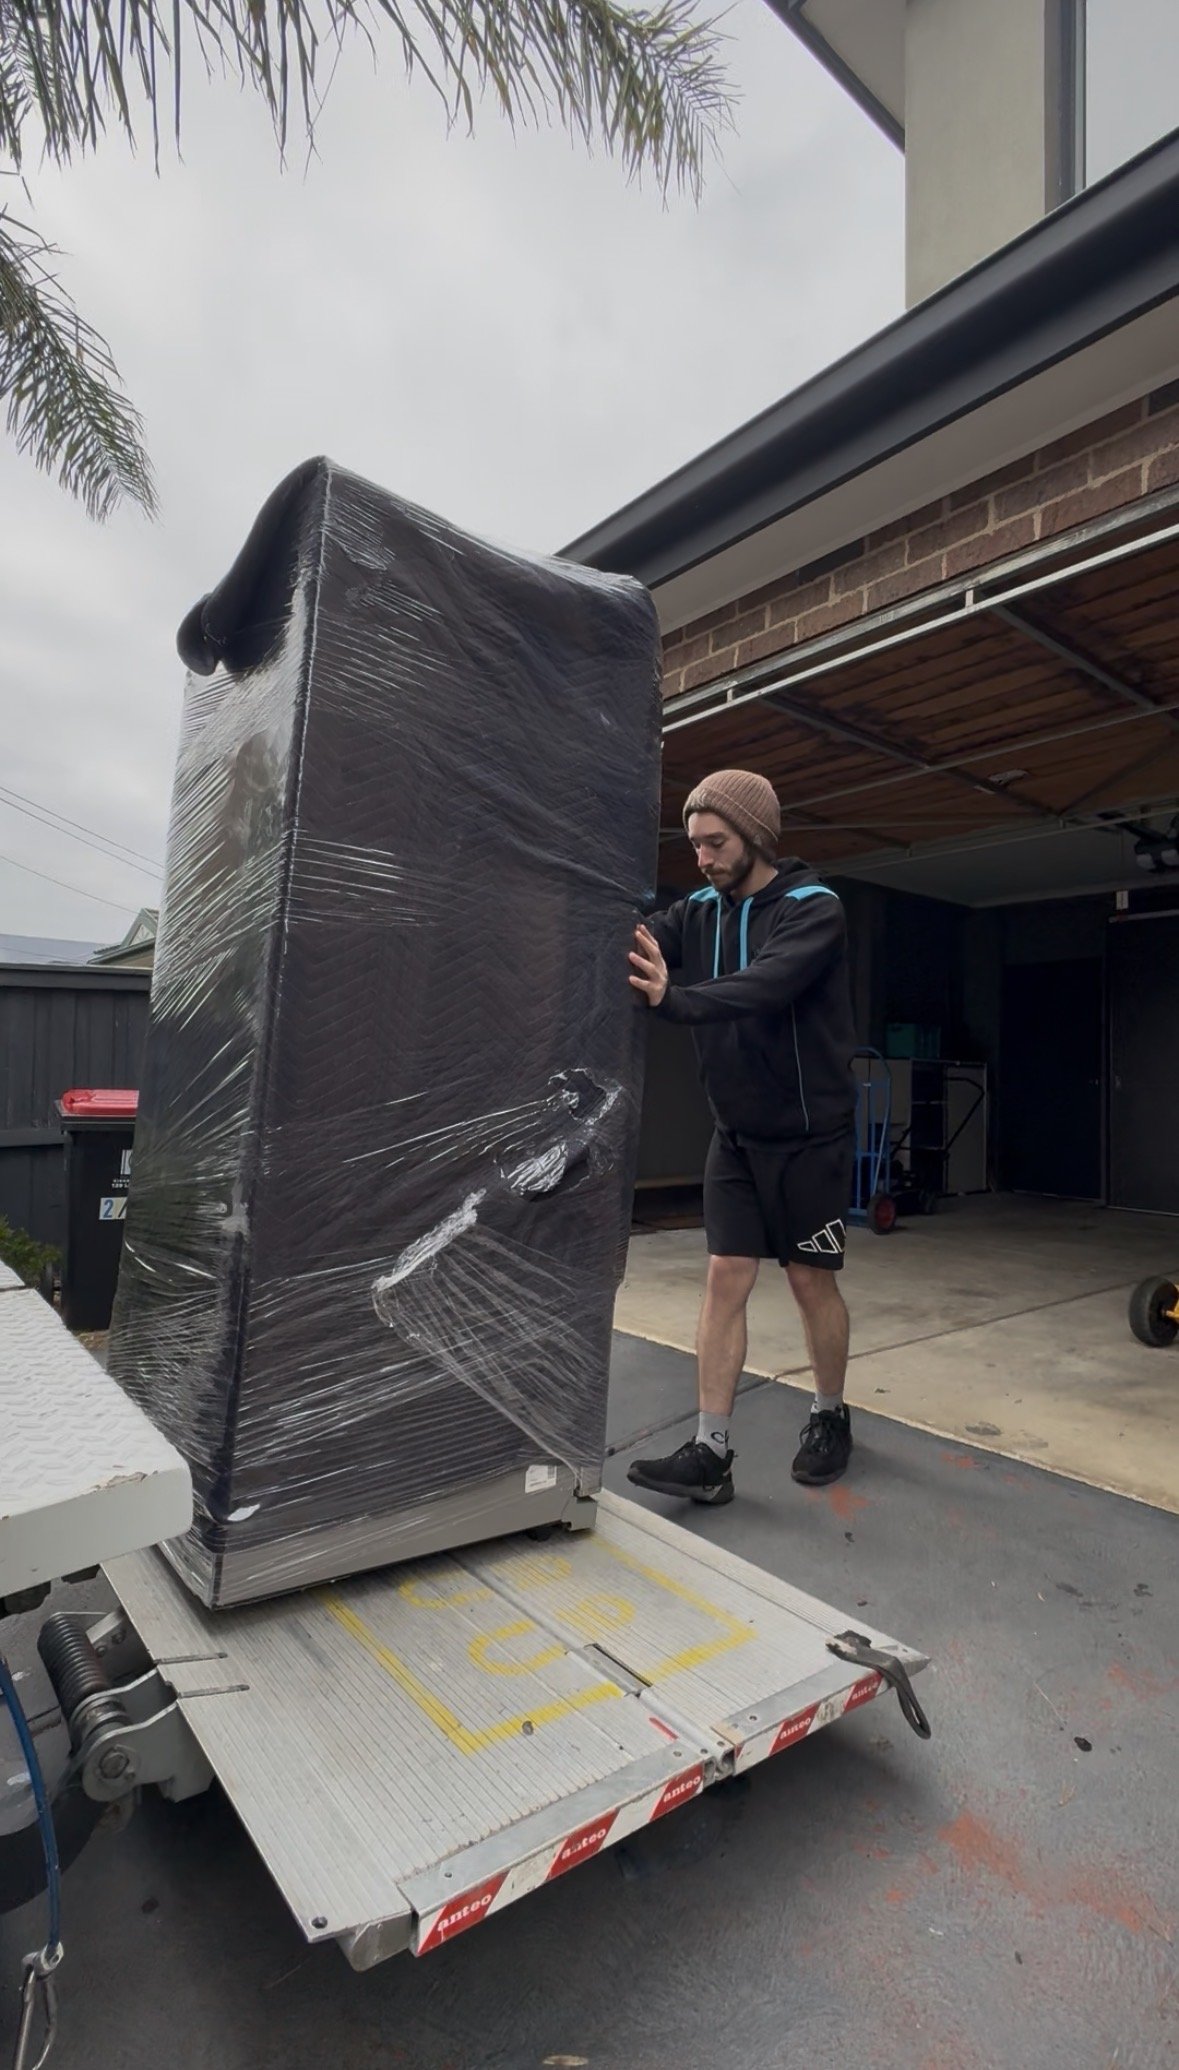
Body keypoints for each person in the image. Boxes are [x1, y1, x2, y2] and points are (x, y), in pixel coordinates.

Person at [626, 768, 857, 1506]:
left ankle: (828, 1416)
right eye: (693, 845)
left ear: (754, 835)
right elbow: (630, 942)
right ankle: (710, 1452)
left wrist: (674, 1001)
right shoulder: (696, 909)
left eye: (715, 842)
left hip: (809, 1135)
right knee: (725, 1274)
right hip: (734, 1135)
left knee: (806, 1279)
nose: (701, 858)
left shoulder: (812, 909)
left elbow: (765, 985)